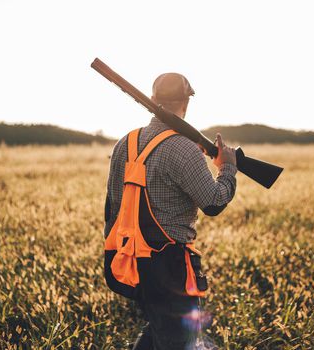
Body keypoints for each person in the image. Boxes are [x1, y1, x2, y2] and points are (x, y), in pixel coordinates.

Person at [104, 72, 237, 349]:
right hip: (171, 266)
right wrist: (226, 168)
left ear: (152, 100)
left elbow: (113, 206)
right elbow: (214, 202)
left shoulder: (124, 143)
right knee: (179, 340)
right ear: (186, 104)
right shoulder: (184, 148)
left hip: (128, 260)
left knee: (159, 328)